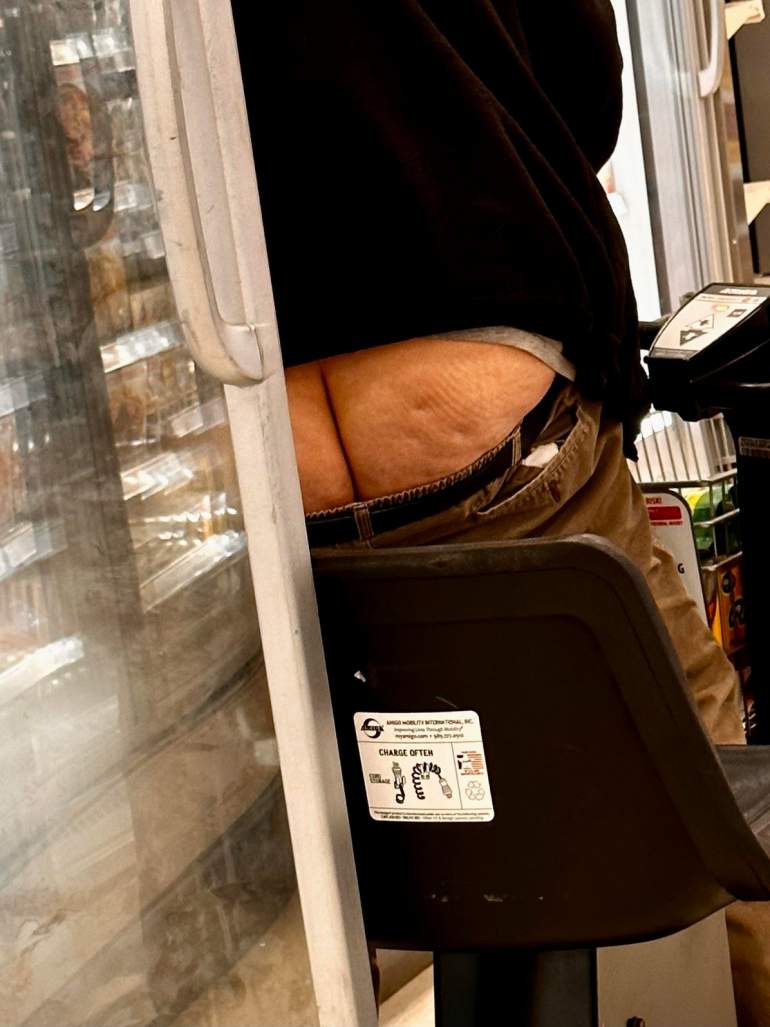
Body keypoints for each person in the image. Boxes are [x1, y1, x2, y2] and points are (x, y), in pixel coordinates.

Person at [233, 1, 769, 1021]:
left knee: (308, 855)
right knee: (700, 767)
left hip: (271, 446)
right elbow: (580, 85)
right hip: (485, 399)